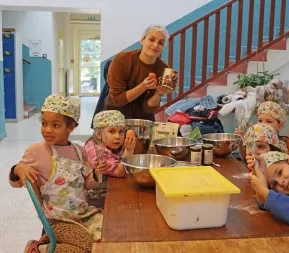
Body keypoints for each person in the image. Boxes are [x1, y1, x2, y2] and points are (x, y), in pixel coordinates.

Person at [9, 94, 103, 253]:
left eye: (55, 125)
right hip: (57, 221)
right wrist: (18, 168)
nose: (47, 130)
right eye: (44, 123)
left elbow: (87, 185)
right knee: (90, 247)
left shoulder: (80, 152)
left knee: (109, 233)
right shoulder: (36, 151)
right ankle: (38, 249)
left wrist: (96, 173)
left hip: (82, 213)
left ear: (71, 127)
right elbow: (14, 182)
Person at [104, 24, 177, 121]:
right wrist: (143, 86)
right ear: (142, 40)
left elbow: (148, 108)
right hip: (115, 116)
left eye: (161, 43)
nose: (155, 45)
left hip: (142, 119)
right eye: (151, 39)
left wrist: (159, 93)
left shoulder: (163, 70)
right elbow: (118, 100)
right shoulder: (122, 59)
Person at [84, 110, 136, 208]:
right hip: (96, 197)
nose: (118, 137)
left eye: (121, 132)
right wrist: (129, 151)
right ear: (99, 134)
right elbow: (121, 171)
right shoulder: (95, 151)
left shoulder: (111, 144)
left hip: (111, 187)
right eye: (112, 131)